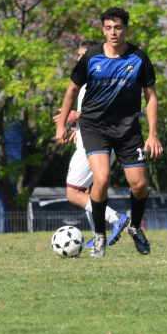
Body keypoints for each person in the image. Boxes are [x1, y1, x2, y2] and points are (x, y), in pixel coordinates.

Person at [55, 7, 162, 257]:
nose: (113, 32)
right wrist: (62, 124)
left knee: (139, 185)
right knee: (101, 179)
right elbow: (71, 91)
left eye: (118, 27)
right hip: (95, 126)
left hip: (127, 128)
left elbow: (151, 96)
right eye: (108, 27)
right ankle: (100, 234)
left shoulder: (139, 58)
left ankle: (135, 227)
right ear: (103, 29)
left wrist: (153, 134)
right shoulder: (91, 57)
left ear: (126, 28)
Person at [52, 40, 131, 250]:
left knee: (73, 193)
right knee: (89, 191)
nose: (79, 59)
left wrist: (72, 117)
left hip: (96, 142)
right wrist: (77, 128)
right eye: (78, 55)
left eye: (83, 55)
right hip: (101, 139)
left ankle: (116, 219)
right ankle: (99, 241)